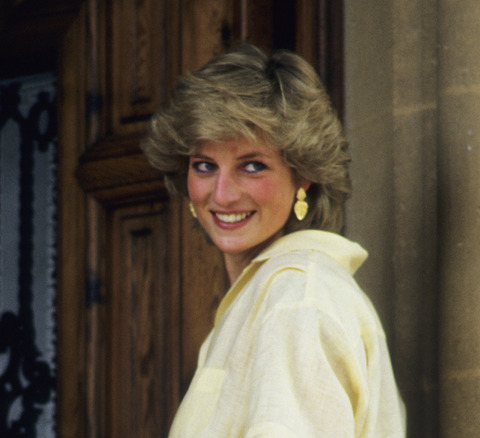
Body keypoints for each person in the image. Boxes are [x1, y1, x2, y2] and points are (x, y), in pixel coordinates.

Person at [141, 44, 406, 437]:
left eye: (252, 166)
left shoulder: (297, 296)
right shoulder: (273, 296)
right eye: (204, 166)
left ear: (303, 176)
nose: (224, 193)